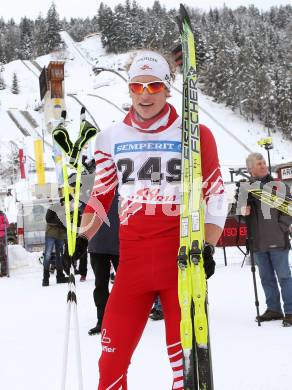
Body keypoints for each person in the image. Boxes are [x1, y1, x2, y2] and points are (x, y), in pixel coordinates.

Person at [75, 50, 226, 389]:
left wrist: (208, 246)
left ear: (167, 88)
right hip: (132, 268)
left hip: (181, 268)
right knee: (110, 362)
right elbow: (100, 196)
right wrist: (82, 238)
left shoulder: (196, 133)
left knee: (186, 369)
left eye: (154, 85)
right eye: (137, 86)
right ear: (129, 90)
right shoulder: (110, 138)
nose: (145, 94)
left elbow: (216, 193)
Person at [238, 152, 292, 327]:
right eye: (259, 164)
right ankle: (274, 309)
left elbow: (289, 210)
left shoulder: (278, 185)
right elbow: (239, 214)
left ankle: (290, 311)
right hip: (257, 241)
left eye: (263, 163)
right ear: (251, 169)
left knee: (284, 277)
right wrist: (242, 209)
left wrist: (281, 228)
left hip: (278, 239)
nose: (263, 166)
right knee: (266, 278)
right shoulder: (245, 187)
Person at [88, 189, 120, 336]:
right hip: (98, 243)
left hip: (120, 242)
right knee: (100, 284)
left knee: (125, 285)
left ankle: (123, 318)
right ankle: (102, 320)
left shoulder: (125, 185)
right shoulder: (95, 187)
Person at [42, 200, 68, 287]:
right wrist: (61, 223)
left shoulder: (68, 209)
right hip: (51, 233)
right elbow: (48, 219)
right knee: (48, 255)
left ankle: (60, 276)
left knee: (60, 255)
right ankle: (45, 278)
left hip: (61, 234)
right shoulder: (54, 207)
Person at [0, 210, 9, 277]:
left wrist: (1, 226)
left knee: (2, 255)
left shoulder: (2, 215)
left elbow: (7, 225)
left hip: (1, 237)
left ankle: (3, 272)